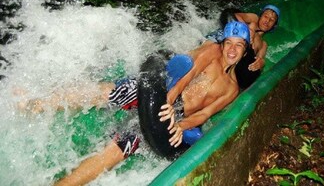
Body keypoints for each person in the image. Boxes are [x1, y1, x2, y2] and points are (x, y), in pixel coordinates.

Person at [20, 21, 250, 185]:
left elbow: (205, 114)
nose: (231, 49)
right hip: (163, 90)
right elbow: (187, 76)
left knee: (121, 148)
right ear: (222, 44)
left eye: (238, 45)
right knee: (110, 93)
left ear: (245, 50)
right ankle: (38, 103)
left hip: (175, 115)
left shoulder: (231, 89)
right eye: (228, 43)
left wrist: (181, 126)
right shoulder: (211, 51)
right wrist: (167, 103)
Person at [214, 4, 280, 89]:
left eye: (272, 20)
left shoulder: (263, 44)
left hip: (241, 63)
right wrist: (247, 31)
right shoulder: (253, 20)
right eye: (265, 16)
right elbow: (234, 15)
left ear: (273, 25)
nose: (267, 21)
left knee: (252, 69)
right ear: (260, 16)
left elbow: (260, 59)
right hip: (230, 46)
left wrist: (261, 63)